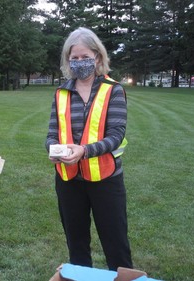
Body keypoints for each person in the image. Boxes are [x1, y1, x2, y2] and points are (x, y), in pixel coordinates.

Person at [45, 27, 133, 271]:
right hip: (68, 178)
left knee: (116, 245)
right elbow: (52, 133)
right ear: (67, 60)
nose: (80, 62)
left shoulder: (113, 90)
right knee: (77, 246)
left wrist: (83, 151)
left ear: (98, 57)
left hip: (106, 178)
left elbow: (116, 135)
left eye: (85, 57)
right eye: (74, 58)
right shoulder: (61, 92)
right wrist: (53, 149)